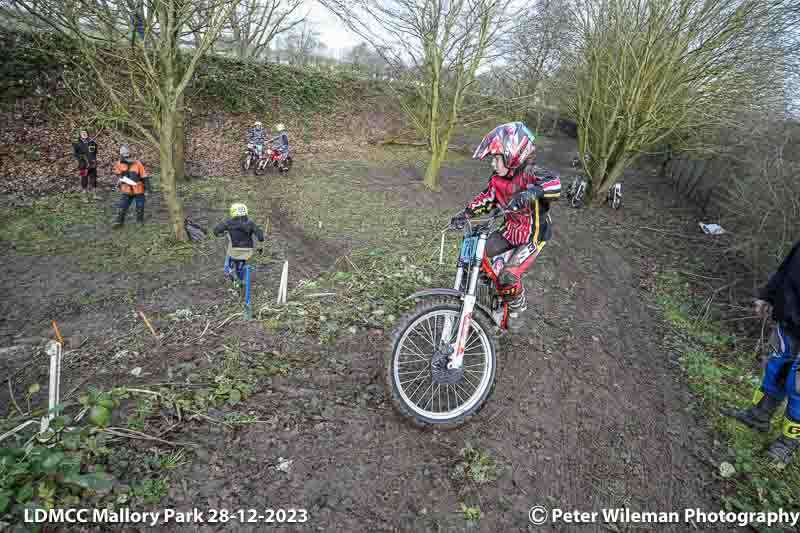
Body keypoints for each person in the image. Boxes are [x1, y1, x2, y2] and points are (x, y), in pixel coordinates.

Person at [450, 122, 561, 330]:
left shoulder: (531, 173)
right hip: (510, 231)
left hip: (533, 236)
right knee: (476, 251)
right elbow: (487, 198)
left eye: (496, 158)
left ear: (513, 153)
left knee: (508, 276)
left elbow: (555, 184)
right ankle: (486, 288)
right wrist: (465, 214)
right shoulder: (497, 179)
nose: (493, 164)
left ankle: (518, 305)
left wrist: (532, 192)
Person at [721, 239, 800, 465]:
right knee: (775, 369)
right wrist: (767, 295)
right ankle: (758, 416)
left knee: (798, 386)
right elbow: (786, 269)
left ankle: (788, 442)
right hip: (789, 320)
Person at [213, 203, 265, 281]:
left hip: (234, 250)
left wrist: (221, 234)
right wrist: (260, 247)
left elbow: (216, 231)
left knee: (230, 255)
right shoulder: (250, 223)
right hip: (247, 251)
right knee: (240, 264)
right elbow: (260, 237)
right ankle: (240, 280)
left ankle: (229, 270)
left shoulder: (228, 222)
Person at [112, 144, 150, 228]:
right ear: (121, 155)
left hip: (139, 189)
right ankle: (119, 222)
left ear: (130, 153)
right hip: (126, 190)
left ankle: (139, 221)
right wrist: (119, 181)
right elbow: (118, 176)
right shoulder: (119, 164)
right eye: (124, 155)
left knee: (140, 206)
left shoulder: (138, 163)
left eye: (127, 154)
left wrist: (147, 189)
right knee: (122, 206)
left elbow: (144, 176)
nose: (126, 157)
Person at [73, 129, 99, 201]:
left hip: (93, 164)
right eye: (82, 133)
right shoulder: (77, 144)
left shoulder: (92, 143)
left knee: (93, 179)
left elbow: (95, 152)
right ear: (80, 135)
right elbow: (75, 154)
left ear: (88, 134)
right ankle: (84, 197)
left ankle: (94, 195)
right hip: (83, 165)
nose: (84, 134)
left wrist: (94, 161)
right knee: (84, 179)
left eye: (85, 133)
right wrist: (82, 160)